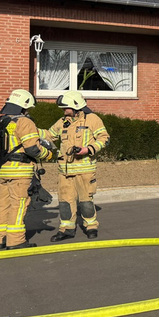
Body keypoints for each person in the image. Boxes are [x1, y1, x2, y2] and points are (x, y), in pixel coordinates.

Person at [43, 91, 110, 242]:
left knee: (86, 201)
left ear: (75, 106)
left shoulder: (92, 119)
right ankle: (66, 229)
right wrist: (31, 131)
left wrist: (87, 150)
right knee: (65, 202)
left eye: (65, 108)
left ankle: (91, 227)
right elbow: (49, 134)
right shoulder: (62, 121)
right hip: (65, 172)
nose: (63, 110)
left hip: (85, 171)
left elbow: (104, 138)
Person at [0, 89, 55, 250]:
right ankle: (16, 241)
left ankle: (1, 239)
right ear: (23, 106)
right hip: (20, 172)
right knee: (18, 205)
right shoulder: (24, 122)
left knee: (3, 205)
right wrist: (48, 154)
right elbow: (32, 150)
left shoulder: (3, 121)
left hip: (2, 171)